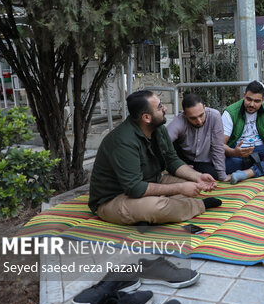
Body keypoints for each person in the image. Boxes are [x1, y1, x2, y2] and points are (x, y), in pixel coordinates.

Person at [89, 90, 222, 225]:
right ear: (147, 117)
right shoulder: (123, 141)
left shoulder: (158, 129)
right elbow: (135, 188)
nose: (164, 108)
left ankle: (144, 216)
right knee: (155, 207)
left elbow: (172, 161)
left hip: (150, 182)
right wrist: (180, 188)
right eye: (159, 107)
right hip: (113, 198)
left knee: (191, 185)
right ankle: (198, 206)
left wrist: (197, 177)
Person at [166, 93, 227, 181]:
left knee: (213, 175)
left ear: (204, 107)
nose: (199, 121)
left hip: (204, 162)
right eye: (193, 118)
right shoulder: (179, 121)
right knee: (171, 145)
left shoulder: (214, 116)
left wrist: (222, 177)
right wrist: (179, 165)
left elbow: (218, 148)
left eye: (201, 115)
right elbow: (163, 142)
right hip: (184, 159)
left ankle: (185, 174)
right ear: (185, 115)